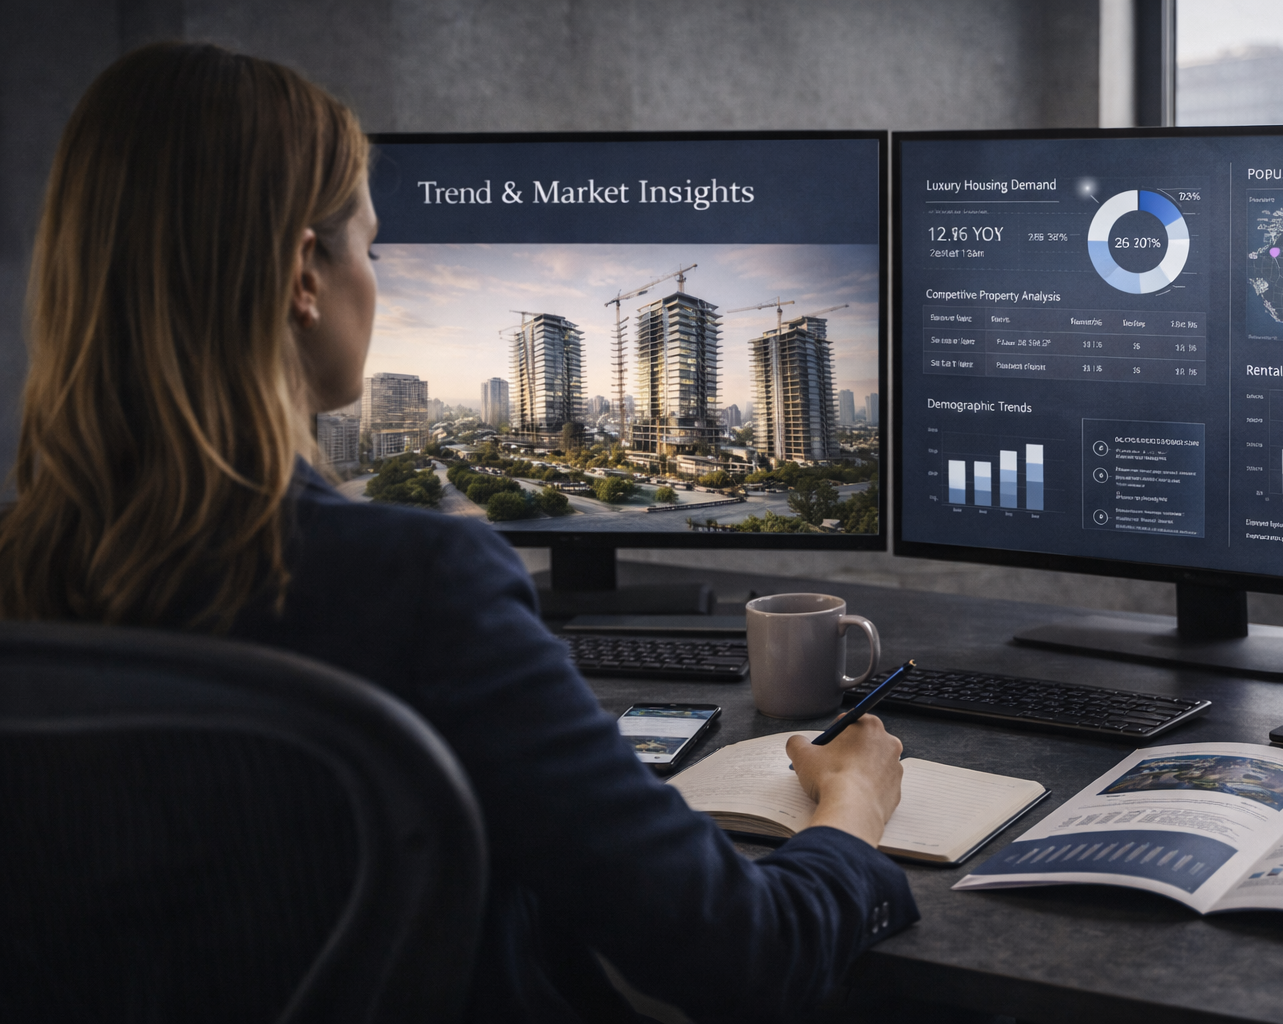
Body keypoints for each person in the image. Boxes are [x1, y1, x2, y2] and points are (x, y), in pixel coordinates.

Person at [0, 42, 917, 1023]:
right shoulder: (417, 585)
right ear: (302, 273)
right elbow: (745, 953)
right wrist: (852, 808)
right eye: (370, 248)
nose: (375, 281)